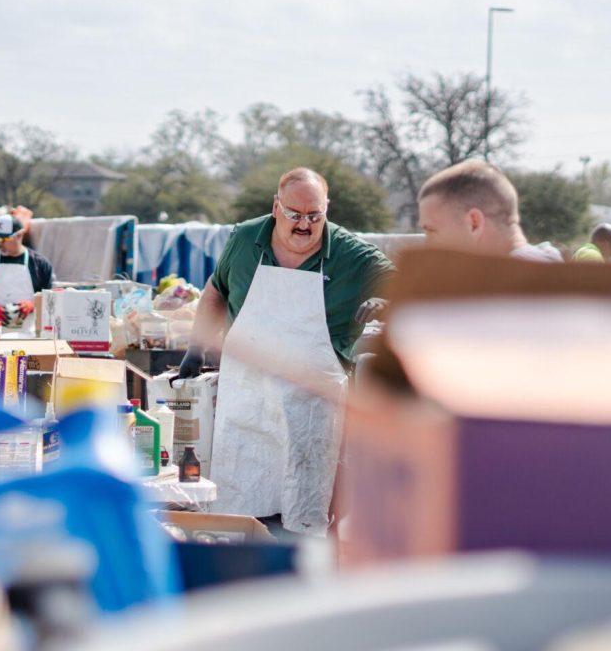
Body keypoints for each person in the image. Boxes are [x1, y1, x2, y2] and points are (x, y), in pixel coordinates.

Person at [183, 168, 395, 535]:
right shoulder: (247, 238)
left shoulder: (351, 254)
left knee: (302, 515)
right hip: (246, 397)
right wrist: (196, 345)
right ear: (276, 206)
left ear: (326, 210)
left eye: (314, 215)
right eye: (295, 214)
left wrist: (386, 300)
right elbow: (217, 289)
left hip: (310, 404)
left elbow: (406, 286)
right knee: (240, 505)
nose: (304, 225)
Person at [416, 160, 562, 262]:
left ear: (474, 223)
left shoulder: (506, 286)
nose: (427, 245)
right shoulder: (549, 271)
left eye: (432, 231)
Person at [0, 214, 55, 306]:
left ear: (20, 235)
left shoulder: (41, 265)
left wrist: (32, 306)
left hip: (29, 319)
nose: (0, 243)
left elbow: (48, 301)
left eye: (5, 238)